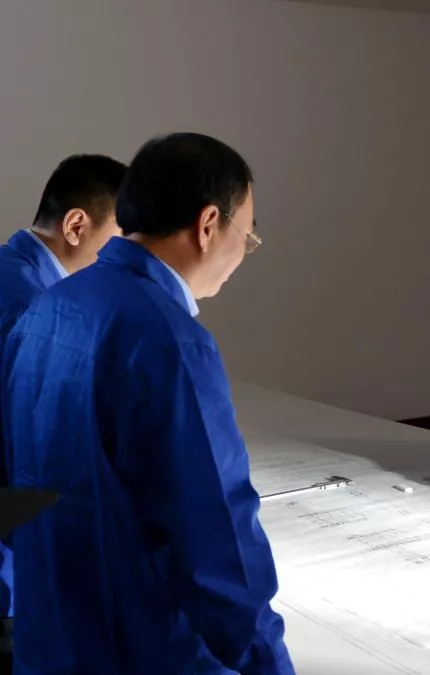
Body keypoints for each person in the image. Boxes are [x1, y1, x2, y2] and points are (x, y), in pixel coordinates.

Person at [1, 132, 294, 673]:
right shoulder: (167, 338)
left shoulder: (50, 306)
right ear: (208, 225)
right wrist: (268, 662)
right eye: (247, 236)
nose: (242, 255)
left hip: (49, 639)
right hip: (135, 646)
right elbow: (216, 541)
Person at [0, 153, 127, 671]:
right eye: (120, 240)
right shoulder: (36, 308)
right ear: (76, 225)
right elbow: (32, 458)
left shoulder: (11, 274)